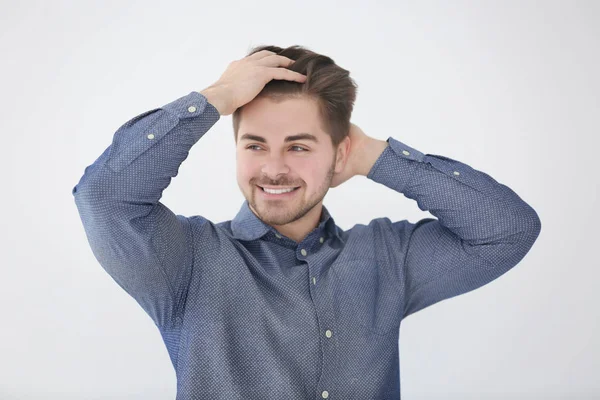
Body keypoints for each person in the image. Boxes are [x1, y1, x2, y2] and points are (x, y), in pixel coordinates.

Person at [72, 45, 541, 400]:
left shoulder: (387, 257)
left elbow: (507, 230)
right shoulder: (187, 261)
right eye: (255, 145)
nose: (273, 169)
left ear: (338, 156)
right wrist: (214, 99)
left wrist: (377, 157)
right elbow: (104, 198)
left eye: (298, 146)